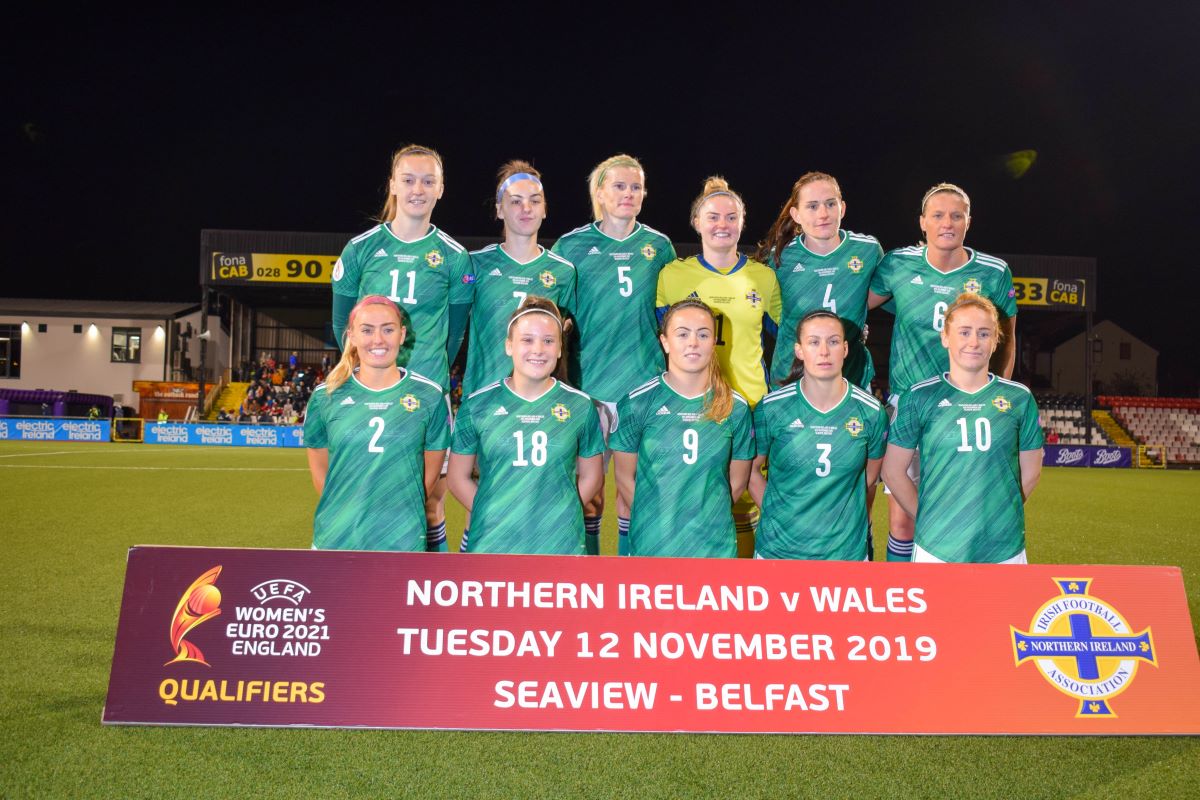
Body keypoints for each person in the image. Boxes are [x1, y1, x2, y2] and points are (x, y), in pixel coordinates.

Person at [329, 144, 472, 553]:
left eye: (428, 180)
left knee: (429, 502)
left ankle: (431, 599)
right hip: (369, 394)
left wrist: (425, 373)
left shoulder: (454, 257)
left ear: (441, 189)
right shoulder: (360, 250)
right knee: (364, 495)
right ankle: (366, 595)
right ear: (392, 185)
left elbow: (454, 334)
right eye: (408, 179)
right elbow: (344, 325)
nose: (418, 189)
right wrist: (365, 375)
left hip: (426, 395)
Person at [867, 182, 1018, 562]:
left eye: (956, 215)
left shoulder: (993, 272)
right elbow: (855, 305)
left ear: (969, 221)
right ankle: (903, 605)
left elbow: (1007, 339)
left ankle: (953, 606)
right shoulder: (898, 264)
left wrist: (993, 398)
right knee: (903, 521)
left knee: (964, 516)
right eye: (937, 215)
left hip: (965, 407)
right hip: (911, 406)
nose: (947, 223)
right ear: (922, 222)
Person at [551, 154, 677, 554]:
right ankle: (585, 577)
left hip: (643, 390)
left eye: (635, 187)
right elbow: (554, 319)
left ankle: (628, 582)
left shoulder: (658, 247)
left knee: (634, 494)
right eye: (619, 186)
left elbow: (669, 317)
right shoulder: (571, 246)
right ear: (600, 193)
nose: (628, 194)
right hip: (588, 391)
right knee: (587, 495)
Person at [656, 176, 781, 557]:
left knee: (743, 500)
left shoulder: (763, 277)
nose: (722, 224)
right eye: (713, 216)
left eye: (731, 216)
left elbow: (787, 341)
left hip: (751, 403)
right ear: (697, 221)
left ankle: (740, 593)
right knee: (696, 494)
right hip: (697, 406)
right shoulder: (673, 276)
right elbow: (667, 343)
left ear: (742, 223)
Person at [881, 293, 1043, 563]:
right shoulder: (918, 397)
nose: (973, 342)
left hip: (1003, 547)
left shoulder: (1019, 398)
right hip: (937, 547)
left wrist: (1001, 514)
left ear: (995, 341)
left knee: (1002, 607)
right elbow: (892, 470)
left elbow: (1031, 472)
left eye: (983, 333)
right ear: (945, 337)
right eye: (964, 332)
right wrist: (927, 518)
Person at [448, 297, 603, 554]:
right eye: (527, 340)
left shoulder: (580, 406)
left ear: (560, 349)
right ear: (509, 345)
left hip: (560, 542)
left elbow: (592, 476)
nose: (538, 349)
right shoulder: (478, 405)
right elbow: (457, 478)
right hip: (494, 541)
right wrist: (497, 514)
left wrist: (557, 516)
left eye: (549, 341)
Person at [304, 295, 451, 551]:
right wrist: (346, 512)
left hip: (402, 539)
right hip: (337, 536)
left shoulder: (430, 396)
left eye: (388, 329)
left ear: (402, 334)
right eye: (367, 330)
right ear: (352, 335)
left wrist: (397, 518)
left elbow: (428, 478)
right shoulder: (326, 396)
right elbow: (320, 474)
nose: (378, 340)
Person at [610, 299, 754, 557]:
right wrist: (660, 524)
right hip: (653, 546)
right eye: (682, 334)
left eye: (703, 334)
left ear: (714, 342)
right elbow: (624, 477)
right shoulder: (637, 403)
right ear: (665, 342)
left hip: (714, 548)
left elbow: (738, 482)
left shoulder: (736, 408)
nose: (693, 343)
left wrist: (706, 521)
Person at [749, 310, 888, 560]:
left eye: (833, 342)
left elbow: (869, 479)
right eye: (814, 342)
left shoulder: (870, 412)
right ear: (799, 350)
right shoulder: (772, 408)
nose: (824, 351)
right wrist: (777, 514)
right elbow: (750, 471)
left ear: (845, 349)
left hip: (844, 555)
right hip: (779, 552)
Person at [756, 172, 883, 391]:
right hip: (789, 379)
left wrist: (855, 317)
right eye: (812, 206)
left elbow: (880, 293)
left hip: (850, 378)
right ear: (795, 214)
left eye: (830, 204)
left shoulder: (867, 250)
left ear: (842, 208)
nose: (823, 213)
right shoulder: (780, 259)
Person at [464, 160, 577, 396]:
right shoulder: (475, 265)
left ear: (544, 209)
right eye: (515, 201)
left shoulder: (563, 271)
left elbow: (563, 341)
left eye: (535, 201)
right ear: (499, 209)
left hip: (541, 402)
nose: (527, 208)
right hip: (484, 400)